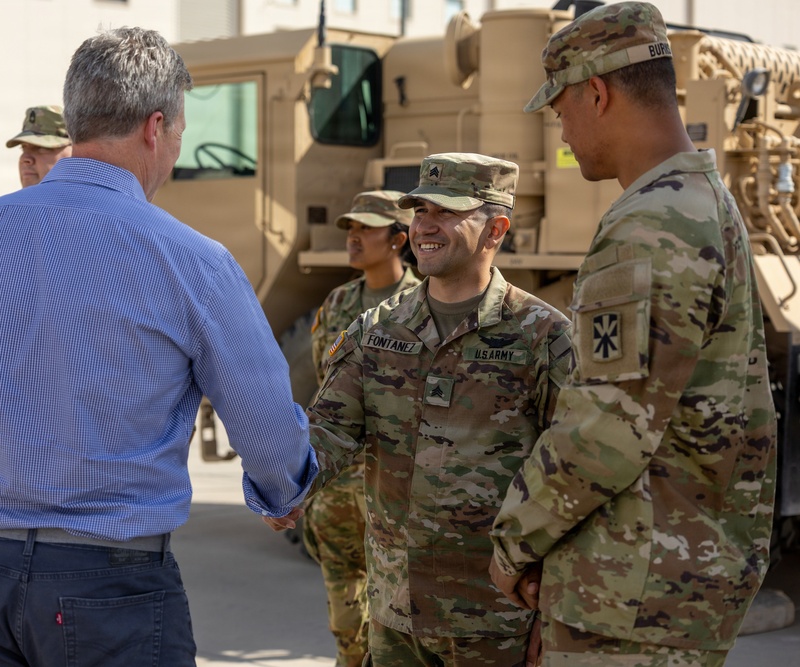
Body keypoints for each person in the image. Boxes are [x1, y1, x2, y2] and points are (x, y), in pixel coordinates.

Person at [0, 27, 317, 666]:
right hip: (114, 593)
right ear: (154, 127)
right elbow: (272, 436)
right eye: (179, 136)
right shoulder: (195, 261)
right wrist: (282, 495)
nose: (173, 152)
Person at [488, 3, 778, 666]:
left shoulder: (651, 224)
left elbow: (605, 431)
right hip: (668, 582)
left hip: (635, 596)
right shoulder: (706, 197)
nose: (562, 132)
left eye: (562, 110)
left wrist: (513, 541)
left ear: (597, 92)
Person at [287, 153, 572, 666]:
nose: (426, 226)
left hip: (496, 621)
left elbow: (573, 478)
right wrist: (280, 479)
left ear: (495, 229)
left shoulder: (543, 336)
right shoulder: (377, 330)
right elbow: (328, 430)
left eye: (446, 211)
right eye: (420, 210)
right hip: (396, 615)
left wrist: (557, 613)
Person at [305, 190, 421, 667]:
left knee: (399, 631)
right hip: (339, 496)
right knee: (347, 629)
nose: (353, 237)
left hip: (395, 491)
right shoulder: (337, 303)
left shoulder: (422, 304)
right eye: (350, 228)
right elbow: (324, 388)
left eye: (366, 228)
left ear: (398, 239)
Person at [5, 104, 73, 187]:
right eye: (23, 148)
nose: (25, 158)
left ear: (74, 152)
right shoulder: (13, 200)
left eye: (42, 148)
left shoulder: (90, 198)